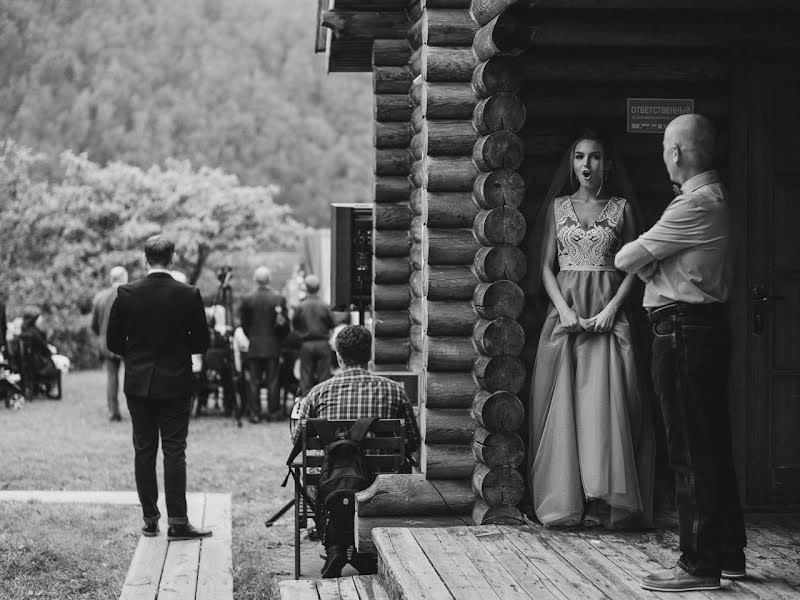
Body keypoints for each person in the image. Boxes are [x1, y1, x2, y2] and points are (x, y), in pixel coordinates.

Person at [616, 114, 746, 592]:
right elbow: (650, 265)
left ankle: (699, 564)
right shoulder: (710, 200)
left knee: (690, 450)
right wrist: (657, 265)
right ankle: (728, 553)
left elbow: (626, 259)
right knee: (711, 444)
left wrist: (652, 263)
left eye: (665, 148)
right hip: (695, 330)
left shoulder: (694, 204)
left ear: (676, 152)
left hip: (683, 332)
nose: (663, 155)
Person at [527, 130, 654, 529]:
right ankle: (567, 500)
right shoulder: (558, 207)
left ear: (607, 164)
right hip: (566, 316)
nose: (587, 164)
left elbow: (637, 267)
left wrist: (613, 310)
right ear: (572, 163)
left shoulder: (621, 208)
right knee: (562, 403)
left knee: (606, 405)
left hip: (607, 314)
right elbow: (546, 266)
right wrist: (562, 309)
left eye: (595, 157)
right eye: (580, 156)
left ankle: (603, 500)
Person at [292, 325, 421, 578]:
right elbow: (414, 442)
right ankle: (362, 553)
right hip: (380, 484)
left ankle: (337, 547)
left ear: (338, 356)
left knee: (325, 479)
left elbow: (298, 441)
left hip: (332, 485)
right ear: (369, 354)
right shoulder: (394, 390)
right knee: (367, 482)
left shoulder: (317, 393)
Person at [106, 234, 211, 541]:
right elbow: (202, 342)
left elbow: (113, 342)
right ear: (172, 258)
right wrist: (178, 349)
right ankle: (178, 521)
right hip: (176, 380)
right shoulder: (188, 294)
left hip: (138, 382)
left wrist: (137, 356)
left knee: (144, 450)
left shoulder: (125, 293)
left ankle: (150, 519)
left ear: (144, 259)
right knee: (174, 451)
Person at [239, 266, 288, 423]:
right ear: (269, 279)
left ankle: (255, 413)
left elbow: (244, 324)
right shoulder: (278, 298)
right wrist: (278, 339)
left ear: (255, 279)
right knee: (273, 380)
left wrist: (252, 337)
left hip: (254, 345)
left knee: (254, 381)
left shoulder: (247, 299)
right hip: (273, 345)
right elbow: (285, 326)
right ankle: (273, 412)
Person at [91, 266, 128, 421]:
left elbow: (94, 324)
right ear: (124, 278)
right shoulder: (129, 295)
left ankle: (113, 411)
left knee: (112, 376)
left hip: (107, 342)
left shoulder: (100, 297)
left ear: (111, 279)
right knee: (132, 374)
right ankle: (136, 409)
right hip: (127, 342)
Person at [291, 274, 334, 395]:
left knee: (305, 377)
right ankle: (323, 403)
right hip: (323, 343)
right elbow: (332, 323)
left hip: (306, 344)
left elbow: (295, 325)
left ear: (306, 287)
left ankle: (306, 405)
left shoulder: (300, 306)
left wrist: (301, 334)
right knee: (324, 377)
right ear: (318, 287)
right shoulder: (325, 306)